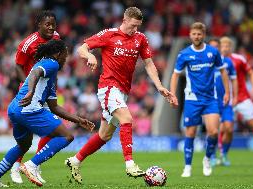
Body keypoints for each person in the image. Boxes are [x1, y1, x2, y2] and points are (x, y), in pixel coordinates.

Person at [64, 7, 176, 184]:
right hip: (108, 87)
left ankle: (75, 160)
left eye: (138, 26)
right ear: (124, 20)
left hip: (123, 91)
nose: (135, 30)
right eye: (132, 26)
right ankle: (130, 164)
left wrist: (160, 86)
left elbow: (149, 64)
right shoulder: (109, 34)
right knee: (126, 118)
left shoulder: (141, 39)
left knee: (105, 135)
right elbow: (82, 48)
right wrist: (90, 57)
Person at [0, 39, 94, 187]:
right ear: (58, 54)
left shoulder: (51, 76)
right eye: (65, 56)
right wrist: (30, 92)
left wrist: (78, 120)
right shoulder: (51, 63)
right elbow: (35, 72)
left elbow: (54, 107)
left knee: (23, 145)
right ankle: (31, 165)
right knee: (67, 136)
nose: (66, 59)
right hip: (29, 109)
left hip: (15, 109)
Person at [170, 22, 230, 177]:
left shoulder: (213, 52)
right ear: (190, 35)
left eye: (199, 34)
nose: (196, 36)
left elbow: (223, 72)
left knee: (214, 132)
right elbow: (176, 74)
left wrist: (227, 93)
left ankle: (207, 159)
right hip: (192, 99)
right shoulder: (184, 54)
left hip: (211, 98)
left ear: (204, 35)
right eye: (194, 34)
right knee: (190, 133)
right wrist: (172, 93)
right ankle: (187, 167)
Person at [11, 10, 60, 184]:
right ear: (38, 24)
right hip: (30, 92)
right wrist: (27, 85)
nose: (51, 27)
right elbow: (17, 66)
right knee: (27, 137)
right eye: (47, 24)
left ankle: (34, 165)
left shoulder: (56, 38)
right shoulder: (28, 44)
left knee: (53, 129)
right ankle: (16, 167)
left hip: (47, 90)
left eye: (53, 24)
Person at [226, 39, 253, 153]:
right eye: (223, 46)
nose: (225, 48)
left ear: (232, 47)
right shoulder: (217, 61)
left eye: (228, 45)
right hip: (227, 99)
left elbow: (251, 73)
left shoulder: (239, 59)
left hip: (243, 97)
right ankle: (222, 155)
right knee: (225, 128)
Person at [209, 37, 238, 166]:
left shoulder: (228, 62)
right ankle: (212, 156)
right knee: (213, 131)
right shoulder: (206, 62)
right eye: (212, 46)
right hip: (211, 102)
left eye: (217, 46)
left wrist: (235, 96)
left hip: (226, 102)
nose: (215, 49)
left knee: (229, 129)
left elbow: (234, 80)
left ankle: (224, 154)